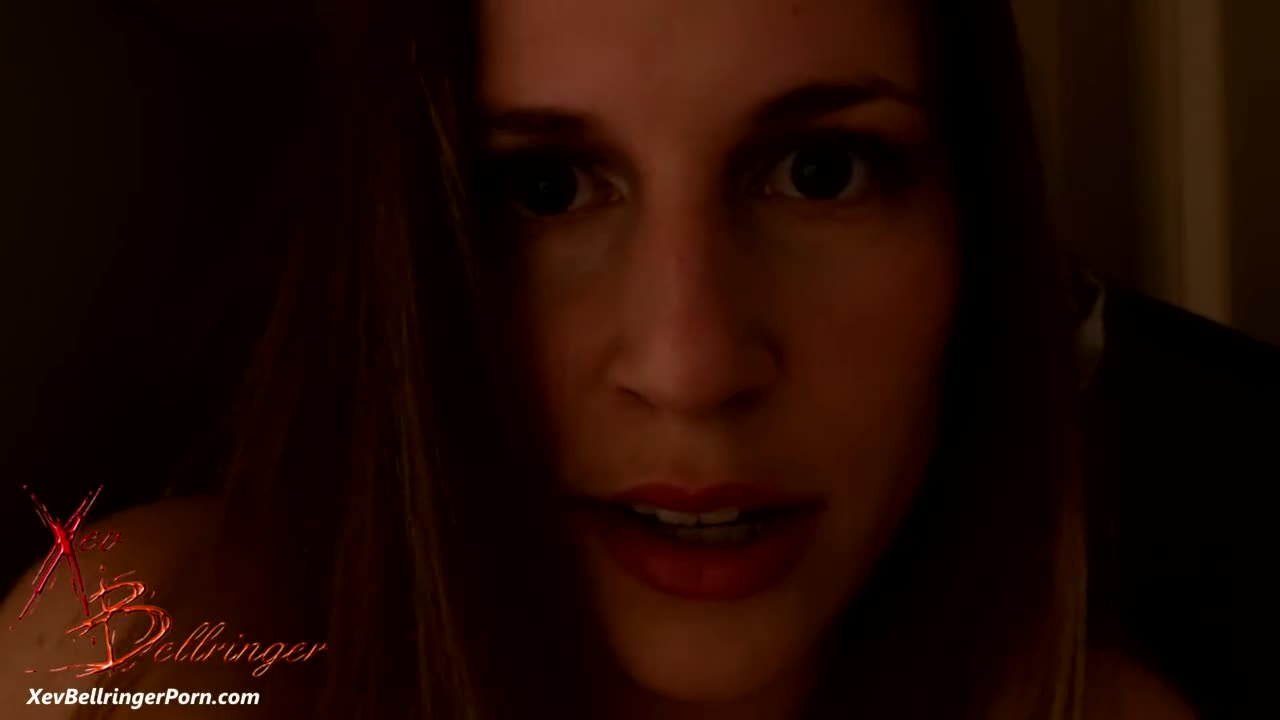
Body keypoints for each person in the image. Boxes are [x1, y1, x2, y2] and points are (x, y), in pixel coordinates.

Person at [1, 0, 1199, 718]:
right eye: (546, 188)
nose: (690, 367)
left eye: (818, 172)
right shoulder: (136, 656)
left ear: (976, 234)